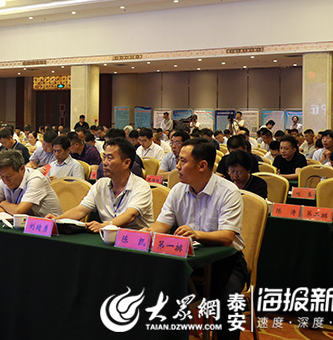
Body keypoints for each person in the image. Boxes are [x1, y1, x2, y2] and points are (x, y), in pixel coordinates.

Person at [145, 138, 246, 340]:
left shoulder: (228, 192)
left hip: (227, 262)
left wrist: (197, 234)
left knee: (228, 301)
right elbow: (162, 225)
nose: (177, 166)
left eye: (183, 161)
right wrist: (145, 234)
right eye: (178, 160)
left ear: (202, 165)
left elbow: (227, 237)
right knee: (154, 287)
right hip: (188, 260)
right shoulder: (177, 190)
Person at [45, 138, 154, 231]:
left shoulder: (141, 186)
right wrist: (57, 219)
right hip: (106, 236)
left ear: (126, 163)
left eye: (110, 158)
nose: (104, 163)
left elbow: (130, 215)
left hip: (134, 239)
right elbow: (81, 210)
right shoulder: (101, 184)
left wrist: (104, 226)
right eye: (104, 157)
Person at [0, 150, 62, 217]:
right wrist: (9, 212)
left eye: (9, 176)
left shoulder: (36, 179)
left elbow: (18, 212)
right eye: (2, 176)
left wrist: (3, 203)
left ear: (22, 168)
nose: (6, 180)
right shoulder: (5, 177)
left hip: (50, 225)